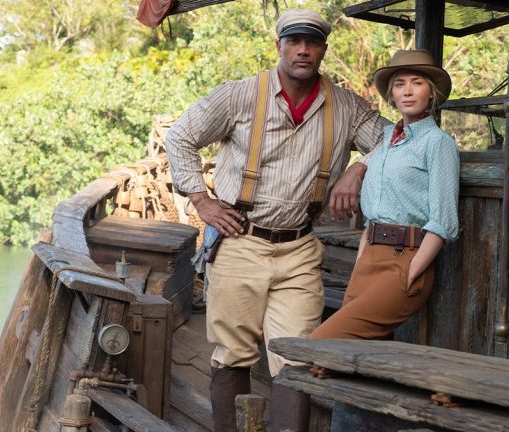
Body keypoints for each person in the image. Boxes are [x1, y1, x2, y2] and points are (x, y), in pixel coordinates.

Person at [165, 8, 391, 432]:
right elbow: (180, 136)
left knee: (297, 355)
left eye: (313, 43)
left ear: (323, 49)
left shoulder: (345, 106)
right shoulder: (239, 95)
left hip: (300, 248)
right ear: (279, 47)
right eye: (295, 41)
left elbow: (396, 139)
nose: (303, 50)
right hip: (239, 240)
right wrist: (200, 199)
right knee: (232, 352)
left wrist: (358, 168)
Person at [309, 49, 460, 346]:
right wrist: (362, 261)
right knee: (362, 356)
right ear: (391, 94)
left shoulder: (438, 143)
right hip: (368, 259)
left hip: (405, 261)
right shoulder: (387, 140)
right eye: (400, 84)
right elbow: (373, 209)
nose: (407, 91)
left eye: (417, 82)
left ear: (432, 92)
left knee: (322, 343)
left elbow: (443, 220)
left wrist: (412, 271)